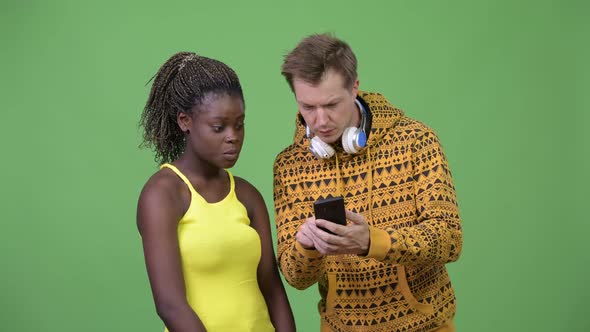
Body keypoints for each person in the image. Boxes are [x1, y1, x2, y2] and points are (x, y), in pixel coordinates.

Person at [273, 34, 462, 332]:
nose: (320, 120)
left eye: (332, 104)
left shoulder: (416, 141)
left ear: (355, 87)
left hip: (425, 325)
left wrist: (371, 242)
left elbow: (449, 239)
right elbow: (296, 277)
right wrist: (307, 245)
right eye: (308, 107)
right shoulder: (290, 166)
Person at [137, 52, 296, 332]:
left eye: (240, 124)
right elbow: (170, 305)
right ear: (185, 121)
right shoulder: (162, 194)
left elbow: (273, 289)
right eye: (218, 127)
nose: (233, 136)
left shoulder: (248, 196)